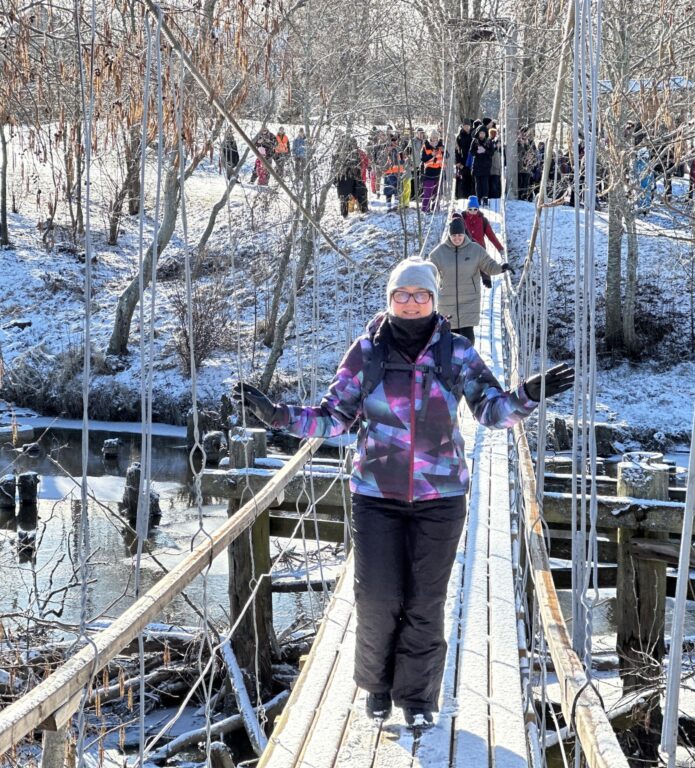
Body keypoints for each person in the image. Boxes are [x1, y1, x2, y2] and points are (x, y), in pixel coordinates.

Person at [233, 258, 574, 731]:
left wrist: (527, 394)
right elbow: (335, 417)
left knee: (425, 599)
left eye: (420, 295)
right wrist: (278, 417)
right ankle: (377, 685)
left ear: (435, 301)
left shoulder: (456, 354)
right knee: (376, 595)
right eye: (401, 295)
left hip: (442, 496)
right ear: (389, 300)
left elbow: (491, 412)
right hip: (376, 492)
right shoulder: (366, 353)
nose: (410, 303)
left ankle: (416, 696)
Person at [429, 217, 514, 341]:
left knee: (467, 338)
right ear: (449, 235)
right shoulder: (439, 253)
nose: (457, 238)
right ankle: (451, 360)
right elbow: (429, 269)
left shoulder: (475, 249)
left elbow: (489, 266)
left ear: (464, 234)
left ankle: (467, 360)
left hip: (470, 301)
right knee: (448, 338)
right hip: (447, 301)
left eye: (460, 235)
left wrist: (501, 268)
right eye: (454, 235)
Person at [332, 135, 368, 217]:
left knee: (358, 193)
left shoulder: (354, 153)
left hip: (350, 177)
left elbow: (359, 164)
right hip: (345, 177)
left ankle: (362, 210)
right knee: (346, 197)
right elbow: (334, 168)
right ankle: (348, 213)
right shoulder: (340, 154)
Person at [468, 125, 494, 206]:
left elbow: (492, 152)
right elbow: (471, 152)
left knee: (485, 183)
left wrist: (484, 151)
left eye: (483, 133)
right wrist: (477, 152)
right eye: (480, 133)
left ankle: (485, 198)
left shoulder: (489, 141)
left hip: (486, 166)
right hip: (477, 165)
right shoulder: (474, 141)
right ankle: (478, 199)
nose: (482, 135)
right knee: (478, 183)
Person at [421, 129, 445, 213]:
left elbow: (447, 156)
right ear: (430, 138)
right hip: (428, 173)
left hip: (438, 173)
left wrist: (443, 151)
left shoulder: (441, 146)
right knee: (427, 193)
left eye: (436, 138)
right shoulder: (425, 146)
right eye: (433, 138)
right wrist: (431, 155)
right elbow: (423, 159)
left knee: (437, 193)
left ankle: (435, 208)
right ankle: (425, 209)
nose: (434, 140)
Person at [383, 131, 406, 211]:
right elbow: (384, 162)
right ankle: (389, 207)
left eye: (396, 140)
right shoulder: (386, 150)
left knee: (397, 190)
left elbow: (402, 160)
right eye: (393, 140)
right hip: (389, 173)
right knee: (388, 191)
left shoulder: (399, 149)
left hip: (398, 173)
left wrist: (403, 161)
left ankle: (396, 207)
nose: (395, 142)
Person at [455, 120, 474, 200]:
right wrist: (458, 162)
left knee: (471, 181)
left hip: (471, 162)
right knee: (463, 181)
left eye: (468, 126)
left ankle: (471, 197)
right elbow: (457, 150)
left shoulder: (472, 136)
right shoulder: (459, 137)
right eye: (465, 125)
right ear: (463, 126)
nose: (467, 127)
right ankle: (462, 198)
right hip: (462, 162)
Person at [488, 127, 503, 201]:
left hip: (496, 167)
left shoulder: (497, 142)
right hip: (493, 168)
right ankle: (494, 197)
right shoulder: (491, 142)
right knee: (494, 184)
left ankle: (496, 197)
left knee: (496, 184)